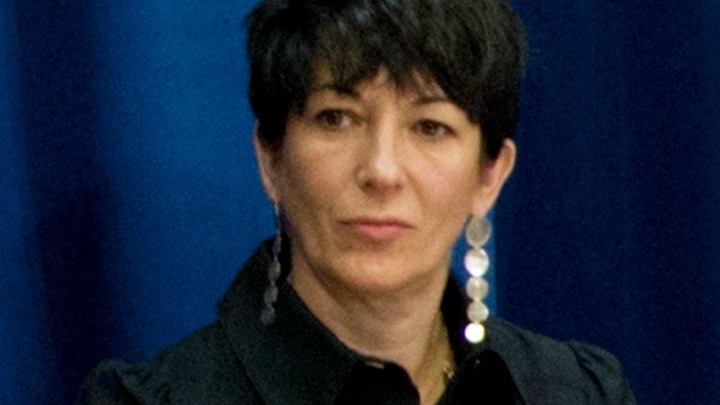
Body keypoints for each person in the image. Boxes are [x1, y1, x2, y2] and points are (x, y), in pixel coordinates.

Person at [76, 0, 637, 404]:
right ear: (271, 159)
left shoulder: (577, 391)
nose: (382, 171)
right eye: (337, 118)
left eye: (431, 127)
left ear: (489, 176)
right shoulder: (154, 399)